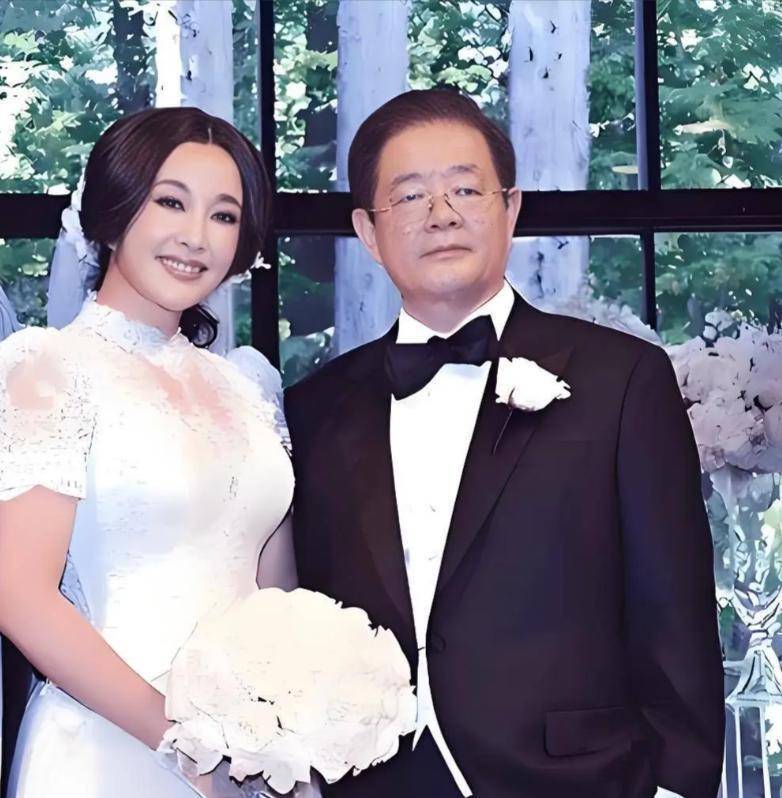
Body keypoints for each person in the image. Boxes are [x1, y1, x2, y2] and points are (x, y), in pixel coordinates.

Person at [285, 89, 725, 798]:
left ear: (510, 208)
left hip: (576, 780)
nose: (442, 214)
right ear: (368, 230)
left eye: (465, 189)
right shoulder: (314, 408)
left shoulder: (622, 379)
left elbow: (674, 614)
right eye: (410, 196)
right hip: (373, 780)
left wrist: (678, 786)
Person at [0, 107, 299, 798]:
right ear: (111, 215)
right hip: (111, 748)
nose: (196, 236)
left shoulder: (249, 385)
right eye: (170, 202)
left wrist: (299, 719)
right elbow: (18, 594)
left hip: (253, 755)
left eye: (224, 215)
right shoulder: (48, 367)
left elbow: (277, 593)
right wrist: (186, 747)